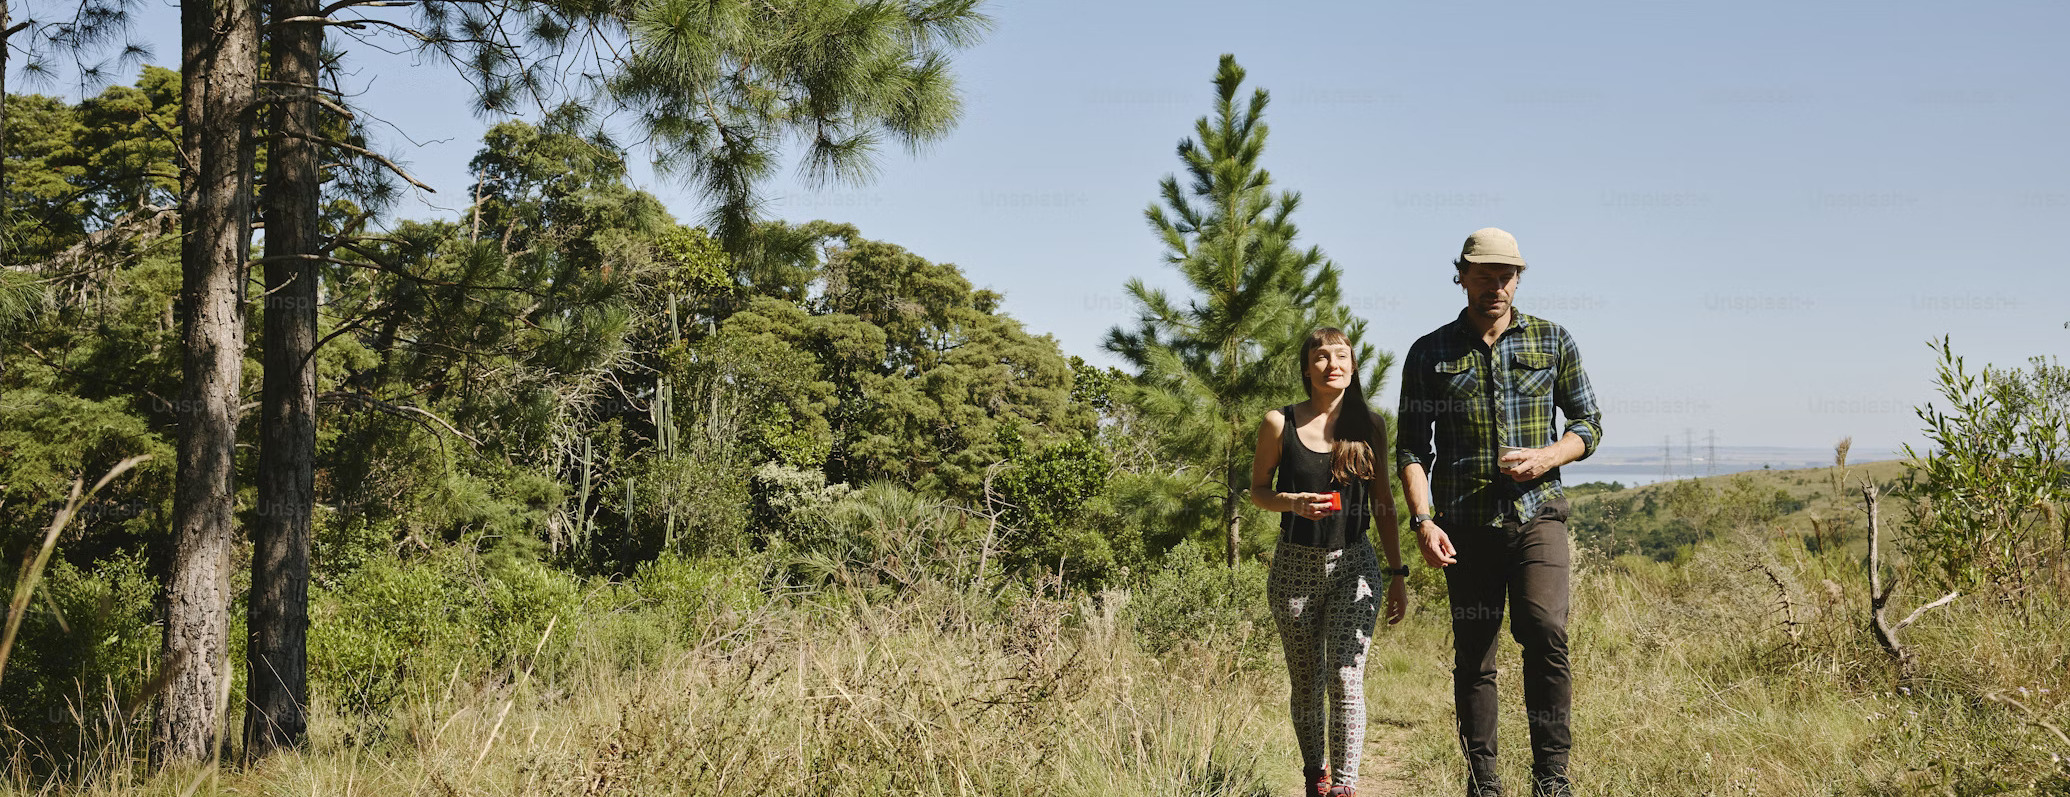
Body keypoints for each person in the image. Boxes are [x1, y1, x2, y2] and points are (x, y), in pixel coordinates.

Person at [1395, 228, 1602, 797]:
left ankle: (1551, 778)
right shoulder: (1429, 352)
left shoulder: (1553, 340)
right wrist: (1423, 520)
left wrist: (1545, 457)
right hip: (1463, 526)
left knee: (1545, 632)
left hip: (1538, 517)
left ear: (1519, 278)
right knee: (1475, 655)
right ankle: (1484, 783)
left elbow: (1588, 426)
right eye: (1484, 274)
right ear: (1460, 275)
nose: (1496, 284)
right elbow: (1412, 447)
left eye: (1506, 274)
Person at [1250, 327, 1410, 797]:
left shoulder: (1370, 426)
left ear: (1353, 366)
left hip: (1355, 565)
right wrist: (1291, 502)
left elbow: (1384, 503)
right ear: (1307, 368)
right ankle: (1314, 774)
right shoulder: (1278, 423)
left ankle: (1344, 786)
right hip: (1293, 568)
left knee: (1344, 675)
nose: (1331, 363)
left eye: (1341, 355)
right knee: (1306, 681)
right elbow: (1258, 492)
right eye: (1321, 356)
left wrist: (1397, 575)